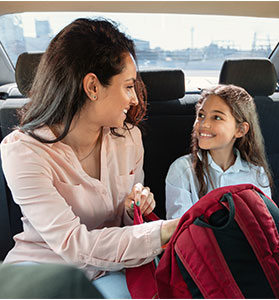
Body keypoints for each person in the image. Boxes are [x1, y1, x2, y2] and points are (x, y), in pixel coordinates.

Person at [1, 18, 179, 298]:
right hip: (47, 271)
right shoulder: (23, 151)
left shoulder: (129, 138)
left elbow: (122, 220)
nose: (134, 99)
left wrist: (132, 209)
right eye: (128, 86)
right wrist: (165, 231)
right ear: (93, 87)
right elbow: (73, 244)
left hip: (110, 268)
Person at [165, 84, 276, 220]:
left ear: (240, 130)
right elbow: (180, 229)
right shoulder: (183, 170)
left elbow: (266, 224)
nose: (204, 124)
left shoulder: (256, 174)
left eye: (217, 117)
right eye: (201, 115)